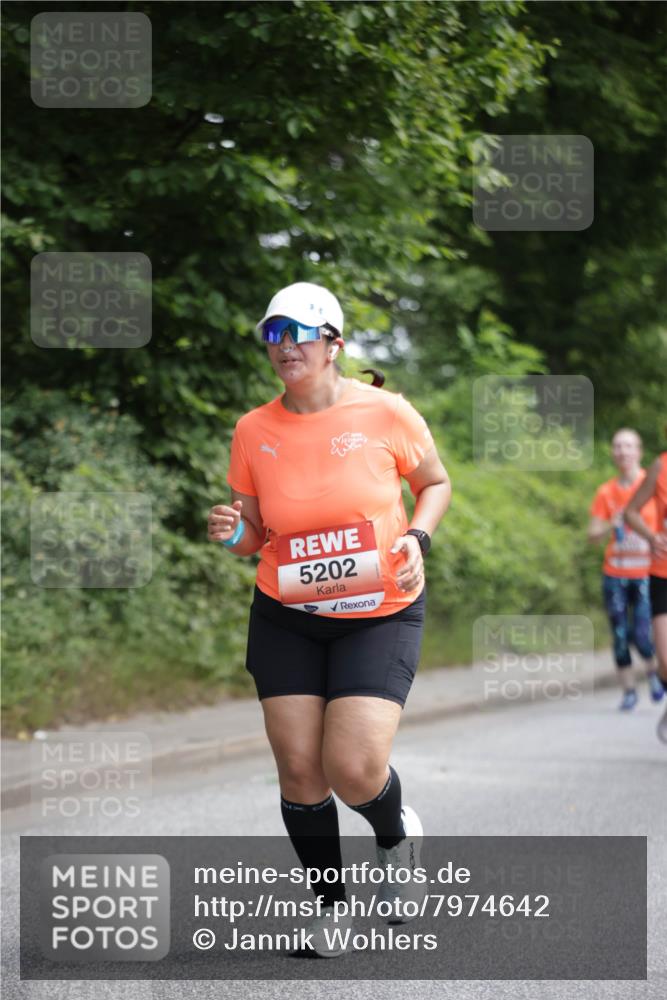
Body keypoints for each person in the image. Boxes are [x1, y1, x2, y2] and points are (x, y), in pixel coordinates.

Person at [208, 282, 451, 956]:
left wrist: (417, 539)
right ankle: (330, 906)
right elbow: (254, 533)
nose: (284, 346)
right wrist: (231, 533)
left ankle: (395, 831)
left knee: (351, 766)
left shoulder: (386, 413)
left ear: (333, 343)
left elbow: (433, 483)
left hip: (379, 612)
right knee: (298, 769)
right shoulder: (253, 430)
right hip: (285, 613)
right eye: (273, 334)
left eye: (299, 333)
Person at [587, 428, 663, 710]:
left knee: (642, 635)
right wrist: (613, 522)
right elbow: (592, 534)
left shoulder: (653, 485)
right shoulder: (606, 492)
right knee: (620, 634)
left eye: (629, 446)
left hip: (647, 572)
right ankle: (629, 691)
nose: (623, 452)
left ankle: (655, 673)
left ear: (639, 452)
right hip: (615, 574)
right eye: (618, 446)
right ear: (612, 452)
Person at [624, 442, 667, 743]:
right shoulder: (661, 466)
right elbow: (631, 512)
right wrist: (652, 537)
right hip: (663, 571)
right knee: (665, 658)